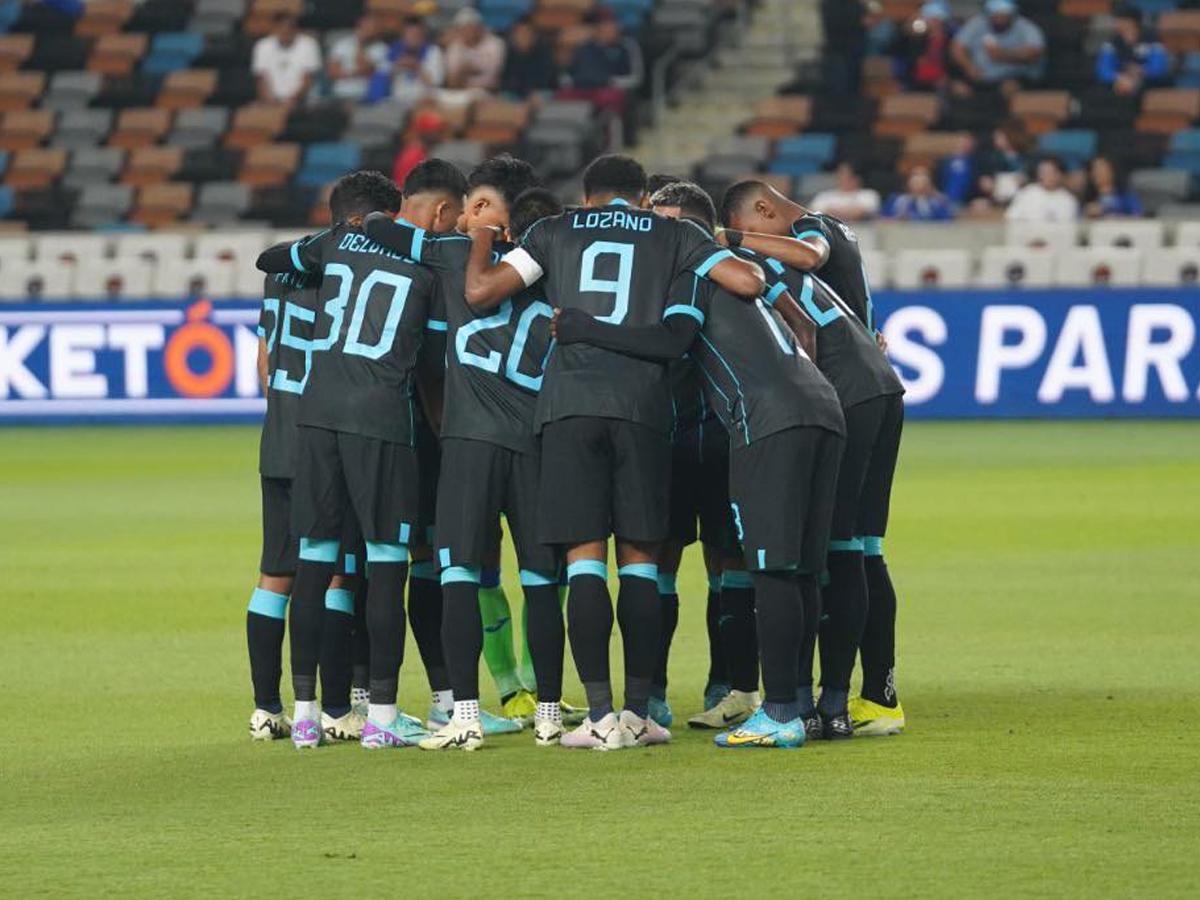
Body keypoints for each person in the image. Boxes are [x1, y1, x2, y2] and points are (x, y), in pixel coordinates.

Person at [462, 154, 765, 750]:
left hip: (570, 406)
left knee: (583, 563)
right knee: (642, 565)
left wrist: (480, 237)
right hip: (646, 411)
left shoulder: (554, 230)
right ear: (641, 197)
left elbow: (480, 291)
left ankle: (598, 716)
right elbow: (746, 282)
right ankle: (639, 713)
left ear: (590, 194)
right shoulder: (676, 233)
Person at [554, 181, 848, 749]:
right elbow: (803, 328)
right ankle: (803, 705)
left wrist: (585, 327)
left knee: (773, 568)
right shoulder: (739, 272)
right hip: (820, 406)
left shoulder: (691, 273)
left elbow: (670, 342)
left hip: (769, 422)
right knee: (805, 569)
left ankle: (781, 710)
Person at [364, 159, 571, 750]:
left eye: (481, 206)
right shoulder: (558, 268)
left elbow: (380, 228)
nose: (468, 215)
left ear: (503, 218)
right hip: (534, 445)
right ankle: (551, 716)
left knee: (458, 576)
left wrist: (475, 234)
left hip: (471, 446)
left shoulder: (454, 256)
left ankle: (466, 717)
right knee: (540, 581)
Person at [255, 166, 462, 750]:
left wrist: (319, 244)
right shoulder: (429, 264)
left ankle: (304, 715)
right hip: (381, 419)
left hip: (317, 417)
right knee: (386, 565)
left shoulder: (338, 241)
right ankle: (383, 719)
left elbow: (270, 259)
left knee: (315, 564)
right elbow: (431, 363)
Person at [723, 183, 908, 740]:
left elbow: (805, 262)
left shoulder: (811, 233)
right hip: (874, 383)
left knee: (834, 550)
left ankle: (827, 702)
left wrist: (728, 238)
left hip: (845, 388)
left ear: (763, 211)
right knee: (857, 547)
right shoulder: (833, 235)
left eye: (755, 228)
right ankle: (866, 695)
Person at [250, 270, 371, 744]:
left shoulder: (278, 280)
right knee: (336, 573)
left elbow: (263, 364)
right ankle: (336, 709)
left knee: (274, 575)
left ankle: (266, 708)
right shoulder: (342, 278)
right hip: (322, 446)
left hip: (277, 441)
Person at [951, 0, 1045, 92]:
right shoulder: (977, 23)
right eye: (995, 15)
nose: (999, 18)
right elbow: (957, 47)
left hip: (1014, 77)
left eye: (1003, 15)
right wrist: (969, 66)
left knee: (1010, 88)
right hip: (981, 78)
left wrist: (1005, 55)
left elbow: (1035, 52)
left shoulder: (1025, 27)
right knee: (958, 88)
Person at [1096, 7, 1171, 96]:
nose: (1116, 24)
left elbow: (1158, 67)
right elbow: (1103, 69)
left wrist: (1141, 71)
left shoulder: (1152, 38)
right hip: (1121, 80)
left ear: (1131, 22)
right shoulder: (1112, 42)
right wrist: (1119, 77)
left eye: (1119, 20)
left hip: (1149, 82)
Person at [252, 13, 322, 106]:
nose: (285, 32)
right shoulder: (262, 46)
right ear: (275, 29)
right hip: (271, 100)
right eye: (281, 29)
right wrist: (269, 100)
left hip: (301, 100)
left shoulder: (309, 45)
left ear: (296, 30)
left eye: (289, 29)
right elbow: (261, 79)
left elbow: (308, 79)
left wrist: (293, 99)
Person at [889, 2, 954, 92]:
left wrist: (951, 80)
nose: (934, 23)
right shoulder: (916, 39)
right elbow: (896, 51)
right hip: (916, 84)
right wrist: (906, 29)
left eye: (937, 19)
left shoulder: (951, 40)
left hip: (942, 85)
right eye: (931, 19)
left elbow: (953, 65)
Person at [326, 12, 388, 103]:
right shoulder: (342, 44)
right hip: (339, 94)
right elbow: (332, 72)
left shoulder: (381, 48)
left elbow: (365, 70)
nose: (368, 29)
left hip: (364, 95)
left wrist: (360, 44)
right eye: (365, 26)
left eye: (372, 27)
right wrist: (354, 73)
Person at [444, 7, 506, 92]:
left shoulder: (495, 44)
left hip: (488, 93)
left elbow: (494, 80)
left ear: (480, 28)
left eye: (473, 27)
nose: (470, 32)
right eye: (465, 28)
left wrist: (465, 71)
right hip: (461, 92)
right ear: (459, 30)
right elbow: (451, 81)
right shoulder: (454, 47)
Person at [387, 17, 445, 105]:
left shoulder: (433, 51)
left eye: (416, 35)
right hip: (396, 101)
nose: (412, 38)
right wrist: (396, 66)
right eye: (409, 34)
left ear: (423, 36)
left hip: (423, 101)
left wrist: (417, 66)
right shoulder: (394, 50)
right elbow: (384, 80)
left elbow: (435, 83)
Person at [1006, 156, 1078, 223]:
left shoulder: (1068, 200)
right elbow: (1010, 218)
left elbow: (1066, 229)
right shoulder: (1027, 192)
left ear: (1059, 174)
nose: (1044, 175)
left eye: (1049, 172)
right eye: (1042, 172)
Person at [500, 15, 559, 97]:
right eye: (519, 33)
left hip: (540, 92)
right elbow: (505, 79)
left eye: (526, 33)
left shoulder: (544, 51)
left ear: (534, 35)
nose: (522, 37)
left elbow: (547, 80)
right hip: (515, 93)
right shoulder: (510, 52)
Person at [810, 162, 881, 223]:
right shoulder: (824, 196)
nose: (840, 177)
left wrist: (830, 211)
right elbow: (812, 214)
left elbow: (859, 213)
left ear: (857, 178)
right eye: (839, 174)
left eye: (845, 174)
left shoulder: (869, 195)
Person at [884, 166, 956, 221]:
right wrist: (896, 219)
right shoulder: (895, 200)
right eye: (915, 176)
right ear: (908, 181)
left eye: (923, 176)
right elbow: (882, 219)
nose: (919, 179)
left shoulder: (938, 203)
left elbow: (946, 224)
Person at [1083, 155, 1143, 219]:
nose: (1097, 173)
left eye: (1102, 168)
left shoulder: (1127, 198)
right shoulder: (1087, 199)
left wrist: (1110, 215)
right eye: (1094, 169)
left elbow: (1138, 217)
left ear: (1112, 171)